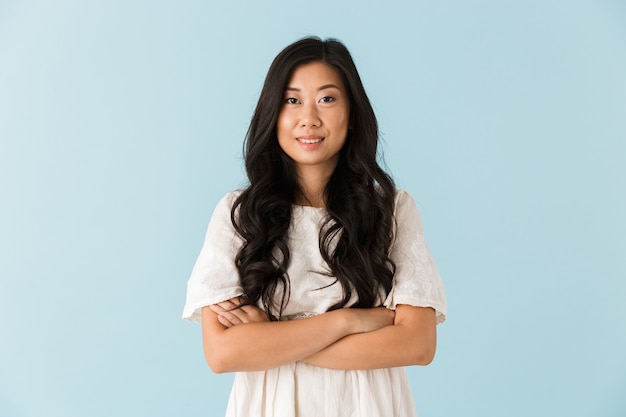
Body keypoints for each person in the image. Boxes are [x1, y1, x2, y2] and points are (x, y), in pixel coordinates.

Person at [183, 36, 447, 417]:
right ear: (272, 113)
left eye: (327, 98)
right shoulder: (239, 215)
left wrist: (271, 336)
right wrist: (350, 320)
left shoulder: (390, 210)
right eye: (292, 100)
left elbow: (417, 344)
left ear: (352, 113)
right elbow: (224, 353)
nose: (309, 117)